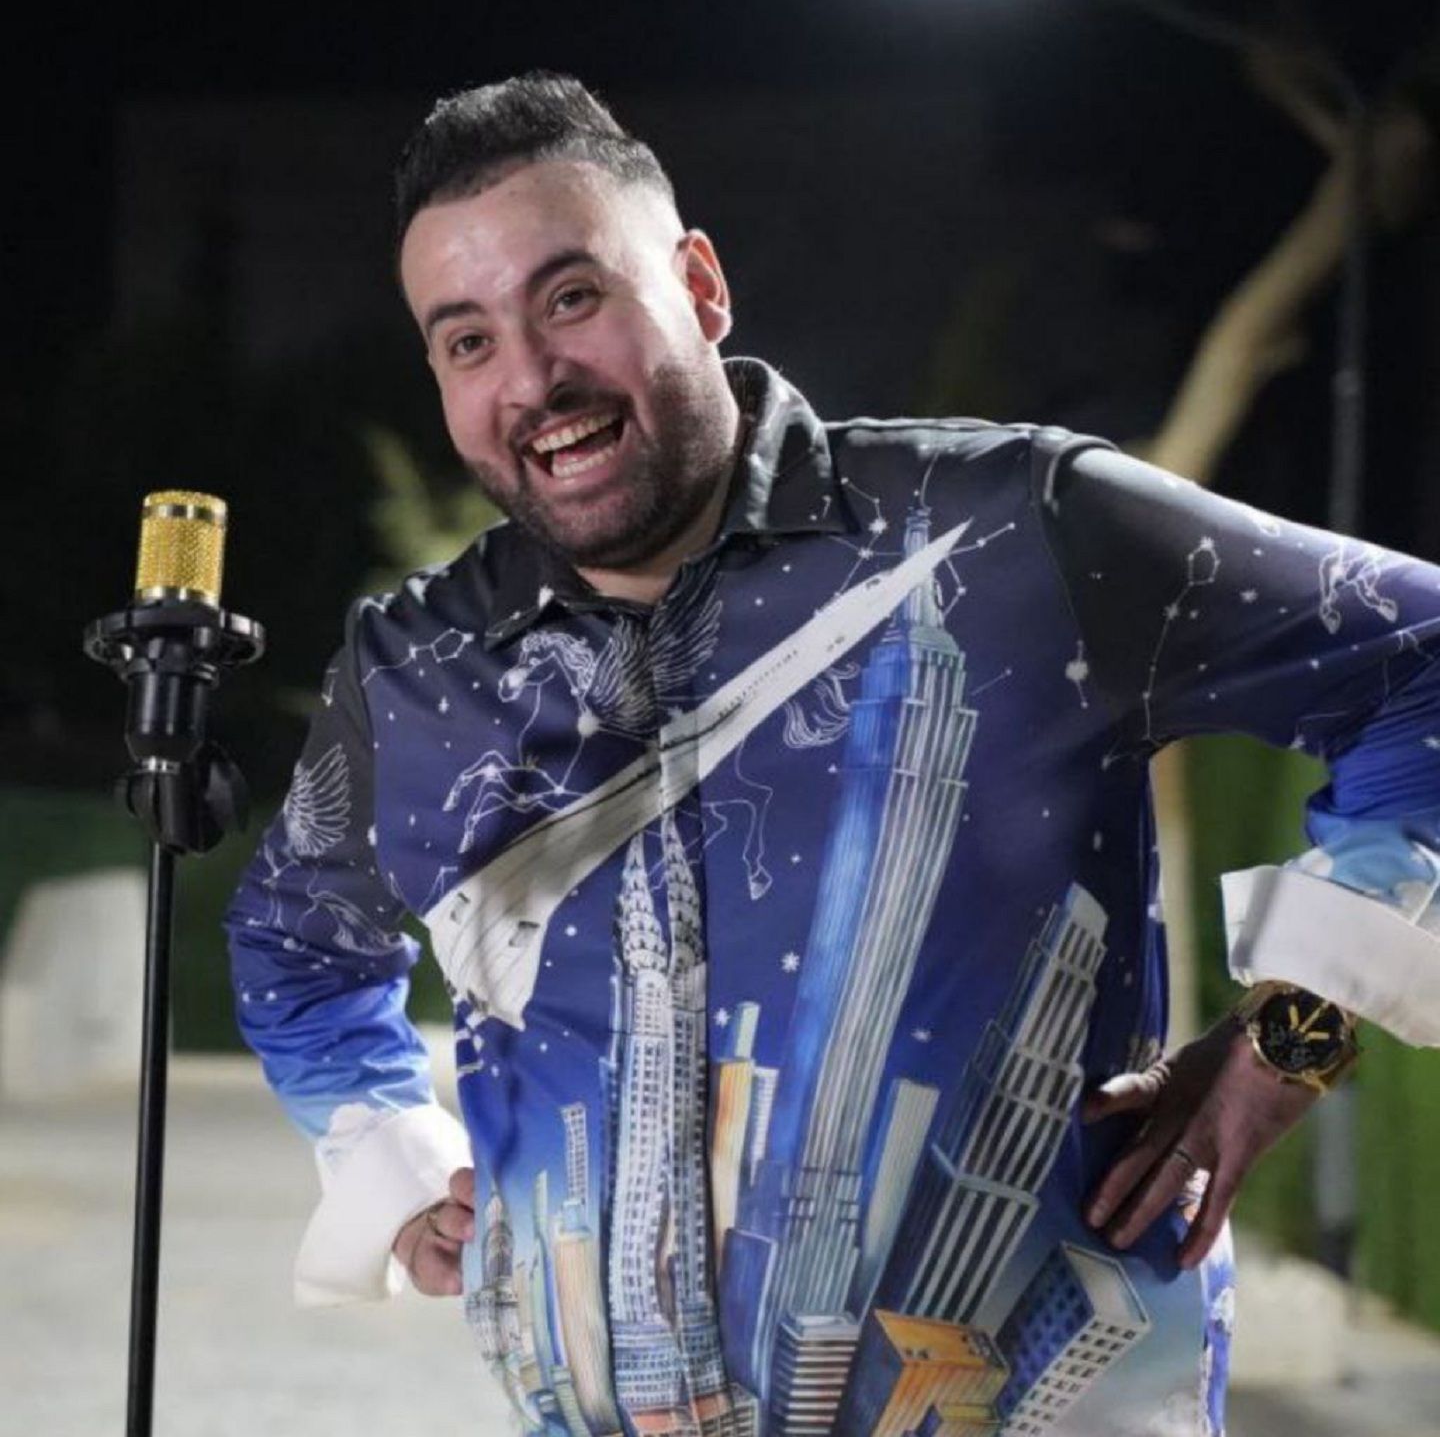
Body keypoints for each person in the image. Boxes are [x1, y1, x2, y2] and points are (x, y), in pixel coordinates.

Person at [226, 72, 1440, 1437]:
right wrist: (393, 1165)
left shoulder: (1025, 526)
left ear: (700, 285)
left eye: (571, 297)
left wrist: (1292, 1036)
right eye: (466, 340)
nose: (531, 377)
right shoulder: (415, 665)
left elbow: (1423, 662)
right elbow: (295, 942)